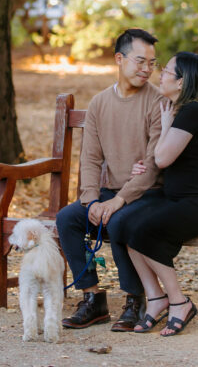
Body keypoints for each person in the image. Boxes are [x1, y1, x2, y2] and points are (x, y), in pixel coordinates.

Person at [112, 51, 198, 337]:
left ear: (182, 82)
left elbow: (164, 158)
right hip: (183, 200)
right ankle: (156, 299)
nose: (161, 74)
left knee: (145, 231)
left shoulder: (194, 111)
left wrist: (166, 126)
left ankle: (179, 302)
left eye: (167, 71)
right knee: (128, 225)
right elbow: (163, 158)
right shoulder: (184, 111)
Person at [56, 27, 163, 332]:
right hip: (109, 193)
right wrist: (90, 199)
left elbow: (154, 166)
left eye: (152, 63)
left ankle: (135, 299)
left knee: (118, 221)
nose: (147, 69)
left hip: (149, 195)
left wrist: (118, 200)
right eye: (140, 61)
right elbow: (89, 158)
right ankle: (92, 298)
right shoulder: (100, 104)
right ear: (119, 58)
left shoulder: (157, 102)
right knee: (68, 218)